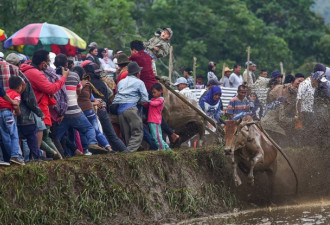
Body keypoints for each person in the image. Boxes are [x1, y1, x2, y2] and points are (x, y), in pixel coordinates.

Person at [54, 54, 108, 155]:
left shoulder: (52, 75)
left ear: (54, 63)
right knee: (89, 128)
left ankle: (55, 153)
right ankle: (92, 143)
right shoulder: (75, 75)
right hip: (75, 110)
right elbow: (79, 90)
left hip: (61, 112)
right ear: (67, 64)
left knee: (57, 136)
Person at [21, 49, 69, 160]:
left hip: (35, 107)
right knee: (43, 136)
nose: (47, 65)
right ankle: (57, 157)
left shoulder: (27, 69)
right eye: (47, 62)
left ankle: (55, 157)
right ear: (43, 63)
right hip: (38, 109)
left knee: (42, 136)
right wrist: (64, 77)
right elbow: (50, 89)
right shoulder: (34, 73)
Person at [82, 61, 127, 152]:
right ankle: (125, 153)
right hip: (103, 109)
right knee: (111, 135)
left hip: (92, 111)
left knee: (97, 134)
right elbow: (110, 94)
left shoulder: (87, 84)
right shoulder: (102, 82)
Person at [74, 66, 113, 152]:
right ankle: (108, 147)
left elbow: (76, 98)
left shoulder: (76, 84)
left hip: (80, 111)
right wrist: (95, 102)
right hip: (90, 110)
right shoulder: (88, 84)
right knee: (96, 130)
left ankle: (88, 150)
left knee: (84, 131)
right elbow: (92, 98)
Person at [113, 62, 149, 153]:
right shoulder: (139, 82)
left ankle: (129, 153)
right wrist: (139, 102)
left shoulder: (121, 82)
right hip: (131, 108)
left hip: (120, 109)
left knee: (126, 134)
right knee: (138, 131)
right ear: (137, 73)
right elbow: (145, 98)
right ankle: (128, 153)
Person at [0, 76, 25, 165]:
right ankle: (15, 156)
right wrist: (18, 112)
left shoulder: (5, 92)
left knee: (5, 137)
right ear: (19, 87)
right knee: (14, 135)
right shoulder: (16, 95)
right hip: (7, 114)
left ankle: (6, 157)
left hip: (0, 113)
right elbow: (15, 105)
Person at [144, 83, 170, 150]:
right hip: (151, 121)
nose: (153, 94)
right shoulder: (153, 99)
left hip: (155, 121)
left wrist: (147, 101)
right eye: (152, 93)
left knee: (157, 138)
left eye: (154, 92)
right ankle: (168, 150)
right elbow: (148, 104)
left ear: (160, 91)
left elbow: (154, 104)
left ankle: (162, 151)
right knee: (156, 137)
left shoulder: (161, 100)